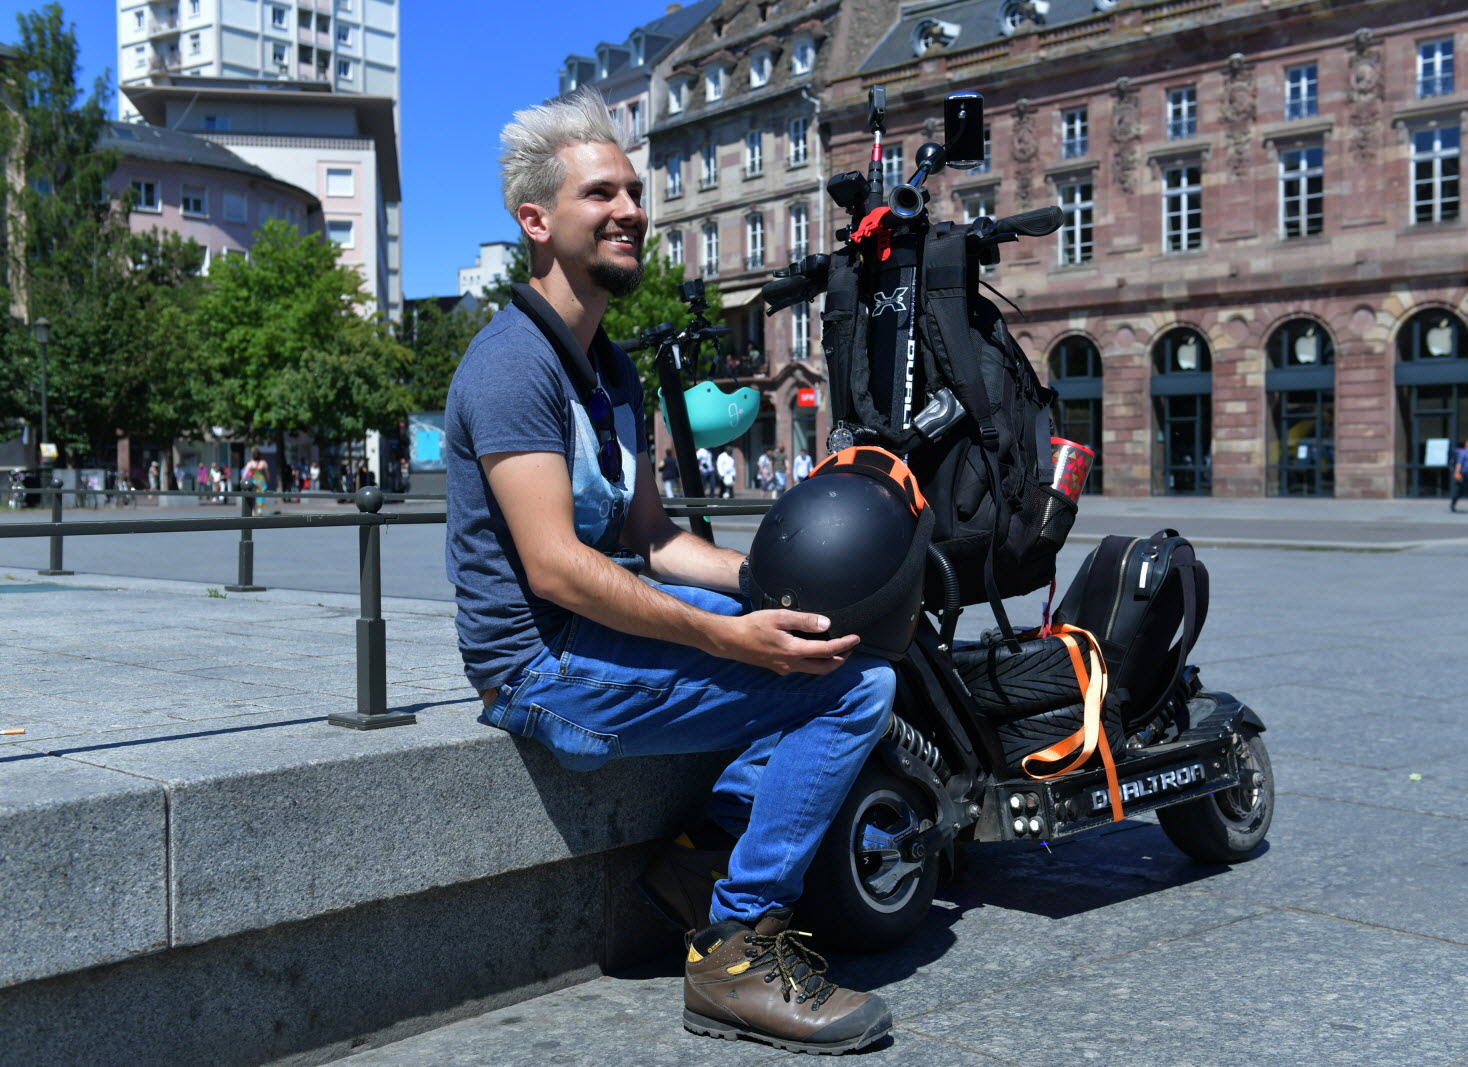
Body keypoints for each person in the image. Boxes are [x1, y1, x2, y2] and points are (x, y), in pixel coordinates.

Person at [443, 88, 894, 1055]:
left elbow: (652, 540)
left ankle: (698, 869)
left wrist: (773, 587)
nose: (632, 211)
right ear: (536, 221)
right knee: (851, 689)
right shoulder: (512, 365)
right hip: (543, 665)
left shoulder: (607, 367)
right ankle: (734, 946)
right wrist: (731, 636)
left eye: (635, 192)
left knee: (826, 637)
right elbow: (558, 567)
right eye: (601, 193)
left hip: (594, 632)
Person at [1452, 437, 1468, 512]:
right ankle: (1453, 504)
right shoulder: (1463, 453)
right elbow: (1459, 464)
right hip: (1464, 474)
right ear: (1466, 443)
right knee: (1460, 491)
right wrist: (1457, 473)